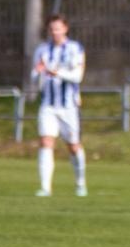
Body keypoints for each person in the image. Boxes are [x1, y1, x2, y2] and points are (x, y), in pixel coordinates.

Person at [32, 14, 88, 198]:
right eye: (51, 28)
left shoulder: (75, 48)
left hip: (68, 106)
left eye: (57, 28)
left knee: (73, 146)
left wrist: (57, 72)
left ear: (65, 29)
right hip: (48, 105)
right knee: (45, 142)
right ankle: (45, 187)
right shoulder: (41, 50)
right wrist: (38, 73)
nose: (54, 32)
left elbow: (77, 77)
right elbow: (34, 78)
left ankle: (80, 183)